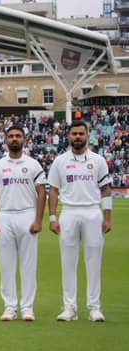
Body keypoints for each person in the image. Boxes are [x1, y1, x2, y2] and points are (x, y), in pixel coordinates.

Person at [48, 120, 112, 322]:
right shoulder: (60, 161)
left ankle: (94, 307)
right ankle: (70, 308)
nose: (77, 137)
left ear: (87, 135)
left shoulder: (98, 160)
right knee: (68, 262)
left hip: (93, 211)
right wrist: (52, 217)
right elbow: (54, 190)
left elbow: (105, 189)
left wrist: (107, 217)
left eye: (81, 133)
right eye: (74, 133)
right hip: (69, 212)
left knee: (94, 261)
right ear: (68, 136)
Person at [0, 125, 46, 322]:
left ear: (25, 139)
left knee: (29, 265)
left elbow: (41, 192)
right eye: (11, 136)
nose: (14, 139)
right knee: (6, 265)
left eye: (18, 136)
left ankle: (27, 308)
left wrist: (39, 220)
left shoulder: (33, 164)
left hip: (27, 214)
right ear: (5, 140)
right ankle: (10, 307)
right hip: (5, 216)